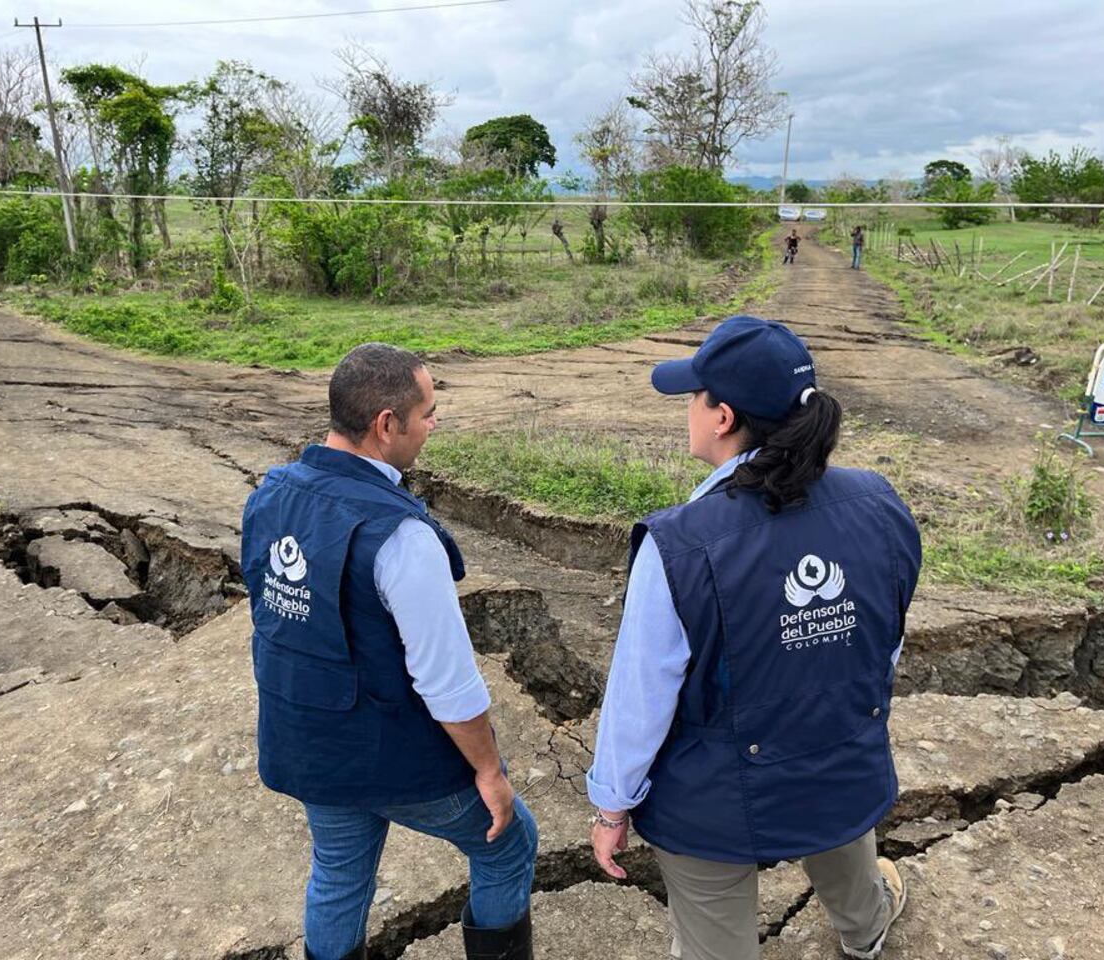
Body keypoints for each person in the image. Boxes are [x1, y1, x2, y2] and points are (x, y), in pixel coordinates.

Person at [586, 315, 921, 960]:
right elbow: (884, 643)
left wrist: (611, 808)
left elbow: (640, 696)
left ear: (721, 417)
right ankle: (866, 932)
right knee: (846, 849)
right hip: (838, 761)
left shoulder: (678, 545)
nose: (688, 407)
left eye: (694, 395)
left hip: (714, 802)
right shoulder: (879, 503)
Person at [243, 343, 537, 960]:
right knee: (507, 842)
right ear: (385, 424)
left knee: (340, 873)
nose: (434, 425)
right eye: (428, 413)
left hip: (309, 742)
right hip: (385, 754)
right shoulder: (401, 536)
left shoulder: (270, 495)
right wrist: (489, 771)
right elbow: (447, 681)